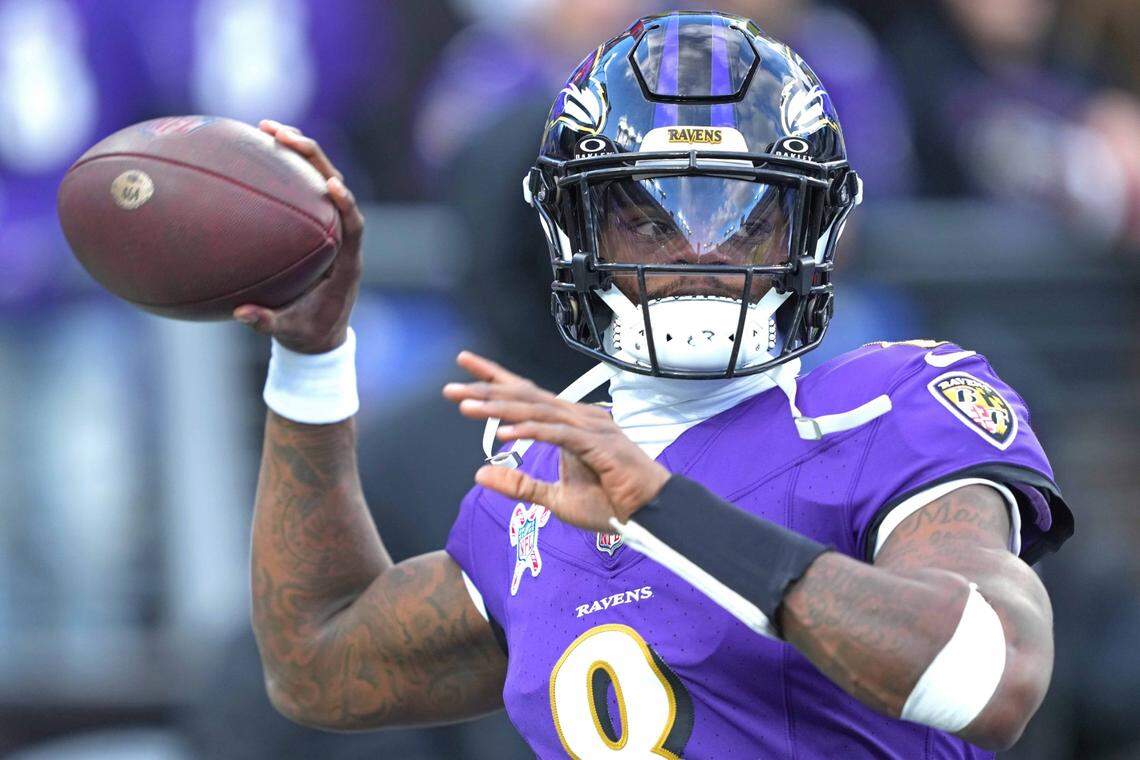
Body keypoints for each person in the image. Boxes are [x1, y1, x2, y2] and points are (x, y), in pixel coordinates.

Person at [234, 12, 1073, 758]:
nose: (699, 255)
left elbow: (988, 680)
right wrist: (311, 358)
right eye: (647, 218)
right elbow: (317, 665)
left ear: (812, 232)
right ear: (575, 230)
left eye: (745, 217)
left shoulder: (890, 409)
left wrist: (667, 513)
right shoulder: (537, 488)